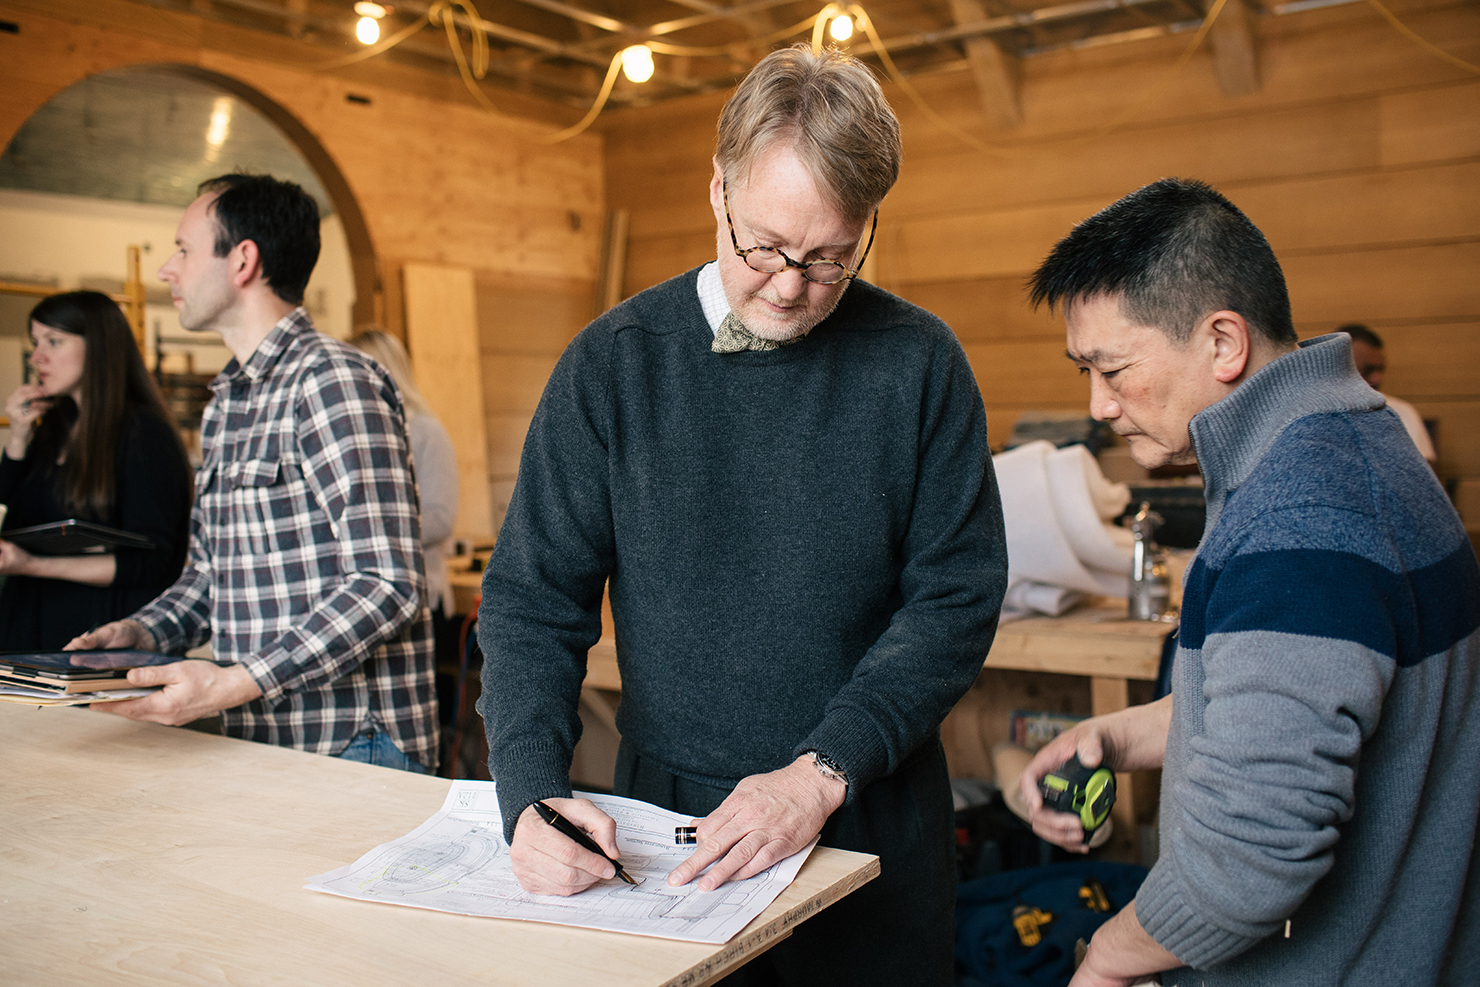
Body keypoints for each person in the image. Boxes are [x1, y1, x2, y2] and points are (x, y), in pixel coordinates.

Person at [477, 44, 1008, 987]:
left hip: (867, 816)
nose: (792, 285)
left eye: (831, 258)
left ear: (869, 225)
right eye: (765, 245)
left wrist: (820, 773)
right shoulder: (614, 365)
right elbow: (532, 603)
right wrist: (530, 796)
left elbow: (955, 601)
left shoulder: (920, 363)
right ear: (716, 188)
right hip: (668, 826)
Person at [1020, 177, 1479, 986]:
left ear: (1224, 343)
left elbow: (1252, 857)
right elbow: (1289, 698)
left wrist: (1106, 962)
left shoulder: (1300, 517)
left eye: (1114, 369)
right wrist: (1116, 738)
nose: (1098, 405)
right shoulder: (1348, 442)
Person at [69, 174, 438, 774]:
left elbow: (386, 585)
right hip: (264, 733)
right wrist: (140, 633)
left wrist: (233, 682)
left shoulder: (332, 380)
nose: (168, 270)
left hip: (352, 742)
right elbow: (211, 577)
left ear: (243, 260)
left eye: (184, 249)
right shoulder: (227, 403)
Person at [0, 290, 191, 649]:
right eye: (35, 342)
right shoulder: (51, 429)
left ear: (99, 346)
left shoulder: (143, 433)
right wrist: (18, 439)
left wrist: (32, 565)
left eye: (54, 342)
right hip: (27, 632)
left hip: (96, 642)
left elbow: (154, 565)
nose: (38, 356)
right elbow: (9, 518)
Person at [1339, 322, 1437, 464]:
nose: (1377, 378)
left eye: (1380, 369)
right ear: (1339, 367)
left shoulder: (1401, 412)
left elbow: (1426, 479)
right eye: (1368, 370)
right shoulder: (1313, 415)